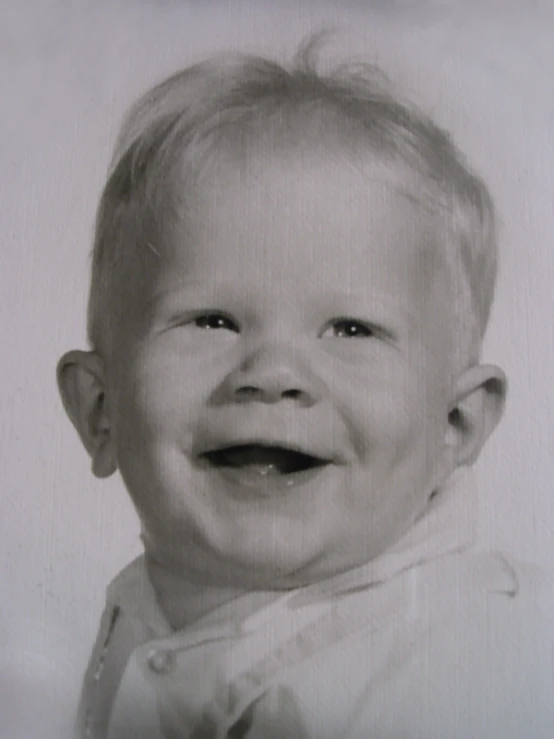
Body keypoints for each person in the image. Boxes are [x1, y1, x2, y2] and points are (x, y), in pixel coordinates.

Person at [57, 35, 554, 738]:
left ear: (454, 427)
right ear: (99, 410)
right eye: (213, 320)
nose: (272, 374)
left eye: (350, 329)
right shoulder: (145, 614)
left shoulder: (466, 665)